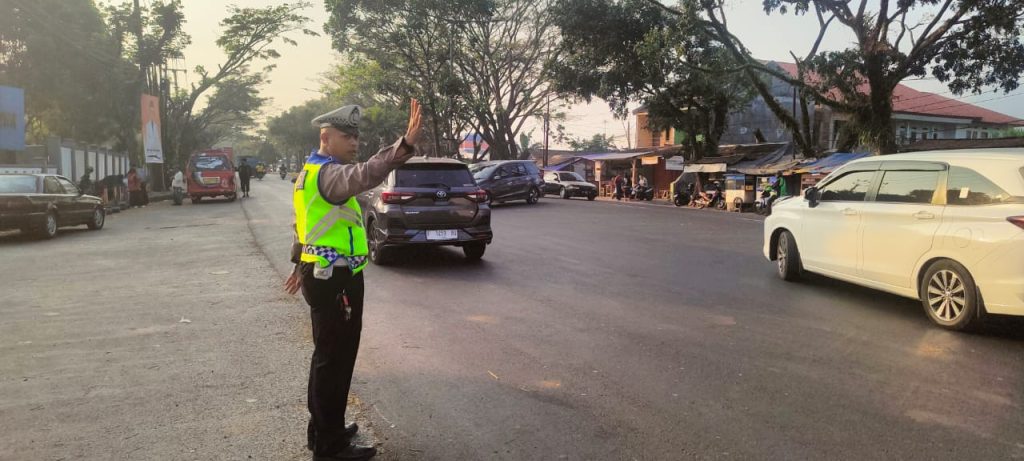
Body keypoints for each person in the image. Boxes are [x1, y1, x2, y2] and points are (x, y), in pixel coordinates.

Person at [284, 100, 422, 461]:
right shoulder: (329, 174)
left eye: (356, 137)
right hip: (337, 280)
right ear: (326, 138)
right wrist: (403, 146)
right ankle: (331, 447)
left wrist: (299, 264)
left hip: (322, 273)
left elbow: (303, 226)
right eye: (347, 136)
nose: (355, 142)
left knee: (326, 358)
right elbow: (365, 174)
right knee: (336, 360)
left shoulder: (308, 174)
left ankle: (324, 430)